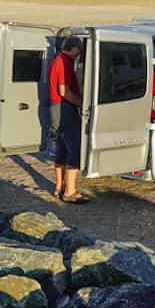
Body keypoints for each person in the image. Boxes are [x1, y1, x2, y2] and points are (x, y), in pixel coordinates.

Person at [49, 36, 86, 202]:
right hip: (65, 109)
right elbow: (64, 91)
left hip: (55, 109)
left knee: (61, 148)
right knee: (74, 149)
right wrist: (82, 104)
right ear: (75, 49)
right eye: (80, 51)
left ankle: (59, 187)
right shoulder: (64, 63)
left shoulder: (56, 60)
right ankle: (71, 191)